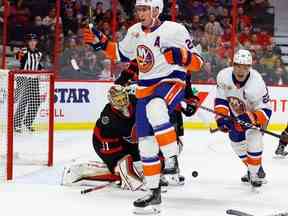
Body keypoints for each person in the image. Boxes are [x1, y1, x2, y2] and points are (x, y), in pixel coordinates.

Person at [83, 0, 203, 213]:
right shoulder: (135, 32)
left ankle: (171, 159)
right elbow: (120, 53)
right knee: (146, 143)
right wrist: (101, 42)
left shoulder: (175, 30)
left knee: (156, 109)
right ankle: (153, 192)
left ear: (157, 10)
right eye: (138, 9)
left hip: (171, 80)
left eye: (144, 9)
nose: (140, 13)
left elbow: (198, 63)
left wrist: (182, 56)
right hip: (145, 87)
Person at [62, 85, 144, 191]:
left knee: (140, 161)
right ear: (111, 101)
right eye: (118, 100)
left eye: (123, 98)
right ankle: (78, 171)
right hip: (105, 144)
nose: (122, 102)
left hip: (124, 140)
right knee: (123, 168)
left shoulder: (134, 101)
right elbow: (109, 142)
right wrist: (118, 163)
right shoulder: (109, 117)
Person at [214, 49, 272, 188]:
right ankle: (255, 168)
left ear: (250, 68)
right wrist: (222, 119)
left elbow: (266, 111)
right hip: (236, 114)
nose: (241, 70)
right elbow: (221, 99)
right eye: (238, 66)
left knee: (254, 140)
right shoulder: (223, 76)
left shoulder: (256, 84)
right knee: (236, 142)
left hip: (256, 116)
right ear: (233, 65)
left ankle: (254, 174)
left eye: (245, 67)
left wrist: (246, 120)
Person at [14, 33, 43, 133]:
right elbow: (18, 57)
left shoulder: (39, 53)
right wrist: (19, 53)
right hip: (24, 79)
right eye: (30, 41)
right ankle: (17, 124)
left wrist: (42, 70)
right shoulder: (24, 51)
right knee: (23, 102)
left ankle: (28, 122)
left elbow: (38, 65)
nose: (32, 42)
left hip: (34, 80)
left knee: (36, 102)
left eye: (34, 41)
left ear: (36, 42)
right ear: (28, 42)